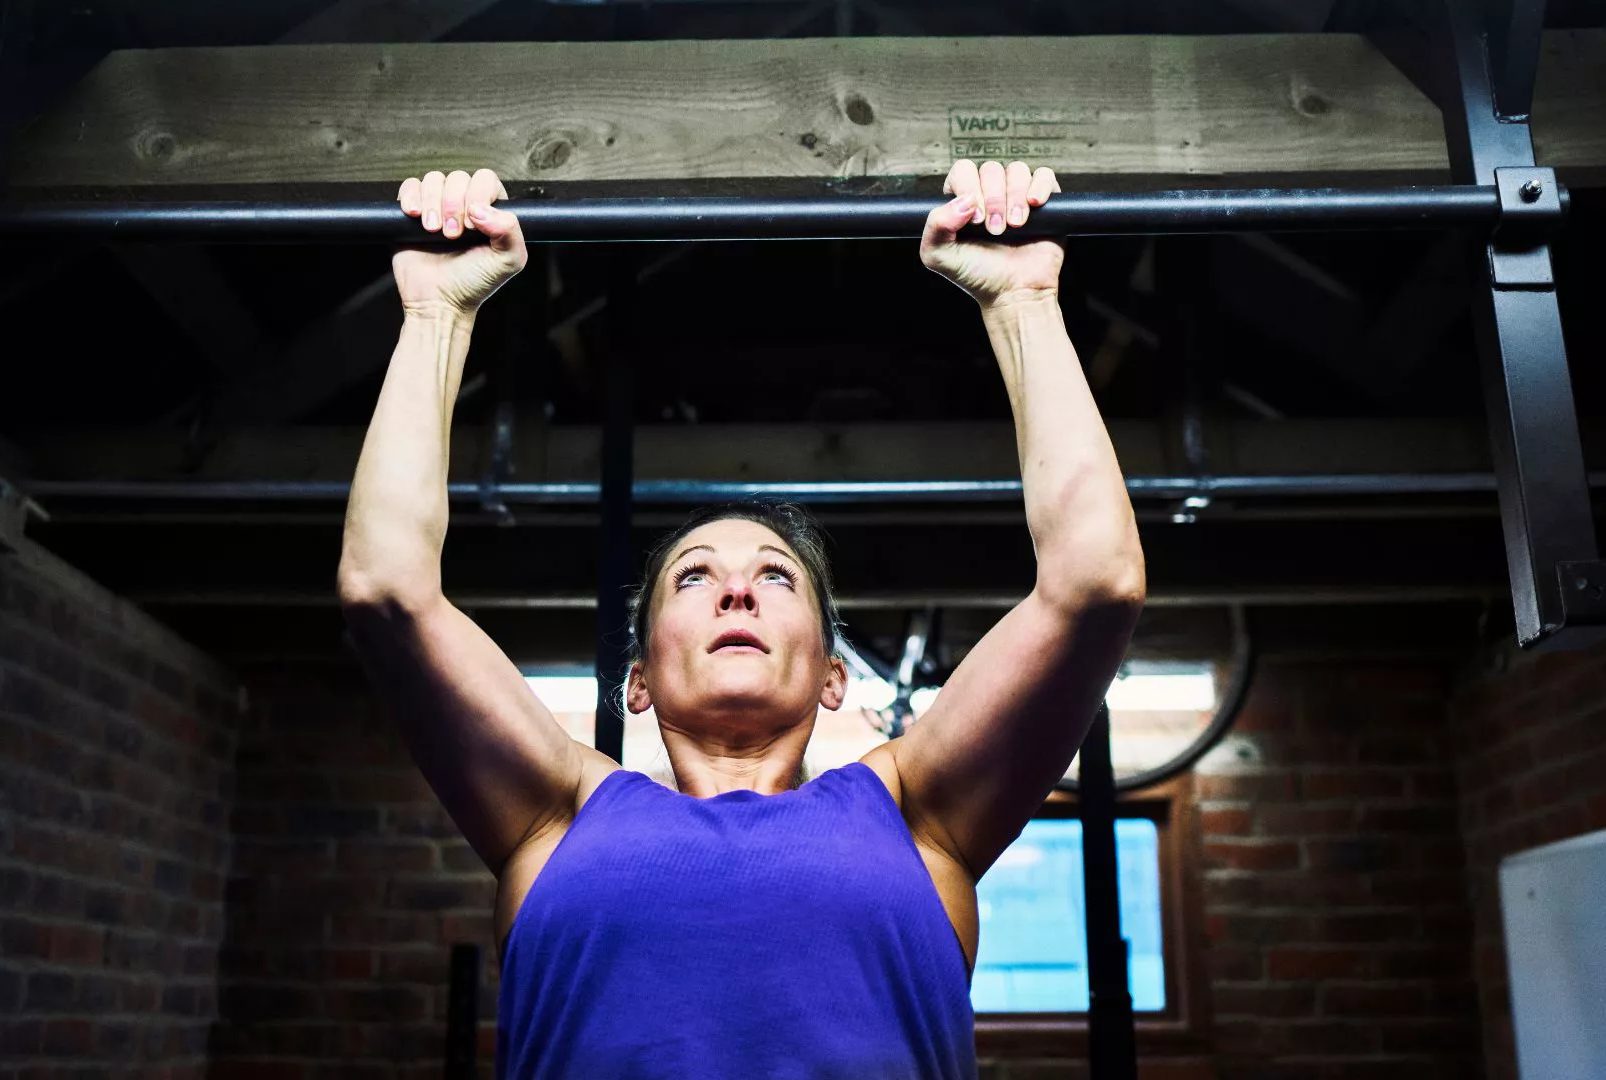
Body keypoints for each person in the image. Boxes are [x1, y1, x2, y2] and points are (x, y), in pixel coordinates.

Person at [337, 160, 1146, 1080]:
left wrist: (1024, 302)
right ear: (636, 678)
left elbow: (1096, 584)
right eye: (692, 578)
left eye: (776, 576)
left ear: (834, 674)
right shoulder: (556, 817)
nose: (736, 591)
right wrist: (437, 315)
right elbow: (385, 591)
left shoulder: (919, 814)